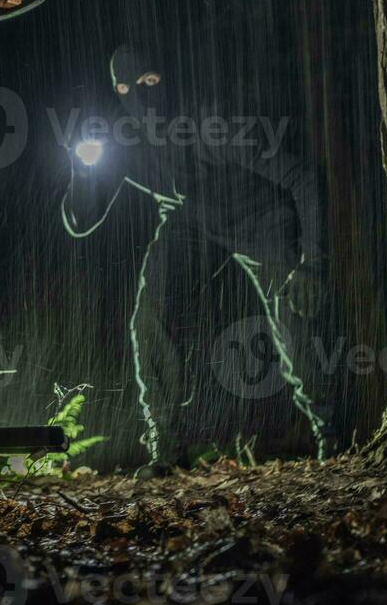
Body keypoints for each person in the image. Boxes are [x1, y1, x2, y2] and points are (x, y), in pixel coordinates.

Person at [60, 40, 339, 469]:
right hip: (188, 221)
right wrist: (82, 168)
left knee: (293, 309)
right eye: (125, 88)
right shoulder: (122, 138)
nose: (140, 94)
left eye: (150, 81)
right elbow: (81, 221)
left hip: (258, 215)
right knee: (150, 313)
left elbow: (301, 176)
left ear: (166, 79)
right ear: (115, 91)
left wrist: (311, 264)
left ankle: (332, 433)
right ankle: (166, 448)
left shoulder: (210, 124)